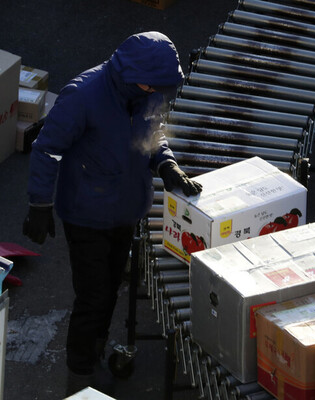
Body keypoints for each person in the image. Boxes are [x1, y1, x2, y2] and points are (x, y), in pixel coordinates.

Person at [22, 31, 202, 396]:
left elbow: (154, 132)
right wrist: (39, 205)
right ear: (142, 81)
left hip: (126, 209)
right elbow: (46, 150)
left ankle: (97, 346)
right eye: (159, 89)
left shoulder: (144, 94)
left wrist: (166, 164)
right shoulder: (82, 96)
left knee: (108, 289)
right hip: (87, 215)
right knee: (93, 297)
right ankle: (80, 372)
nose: (161, 97)